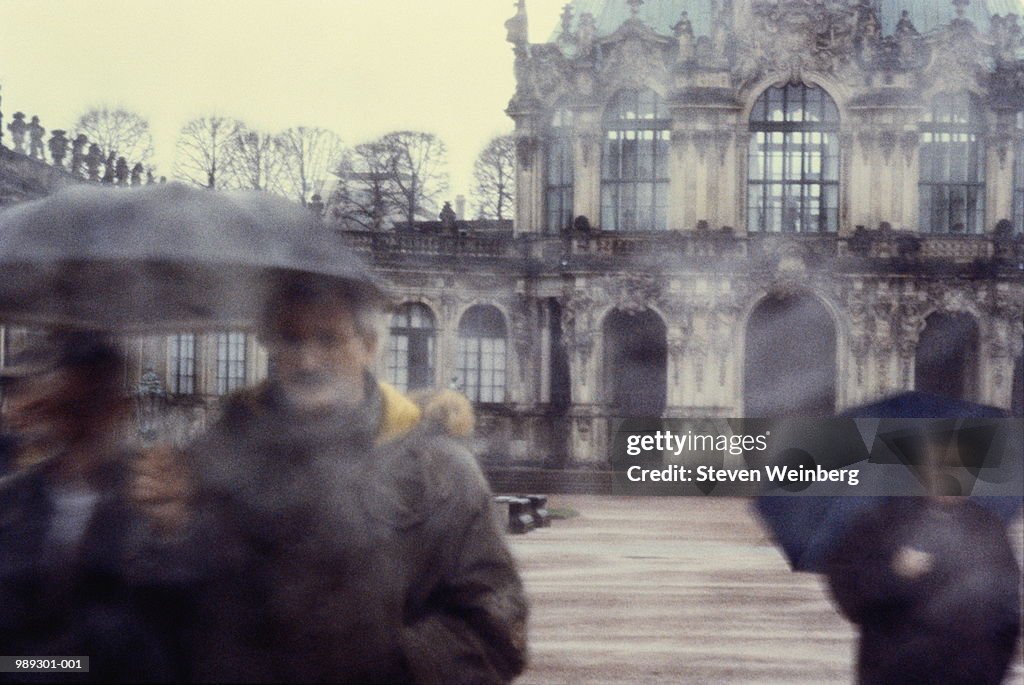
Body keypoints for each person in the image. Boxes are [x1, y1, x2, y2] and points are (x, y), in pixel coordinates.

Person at [168, 274, 527, 683]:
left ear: (369, 345)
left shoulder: (439, 471)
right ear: (269, 346)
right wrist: (164, 537)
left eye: (328, 339)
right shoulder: (213, 459)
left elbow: (499, 628)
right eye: (291, 340)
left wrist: (374, 660)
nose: (308, 361)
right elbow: (154, 621)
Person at [0, 332, 186, 682]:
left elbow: (167, 633)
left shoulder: (155, 507)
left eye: (88, 407)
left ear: (119, 409)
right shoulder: (11, 502)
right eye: (60, 409)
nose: (71, 426)